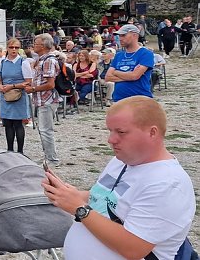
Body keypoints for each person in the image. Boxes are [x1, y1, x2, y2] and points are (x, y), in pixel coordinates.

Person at [42, 96, 195, 259]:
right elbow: (109, 198)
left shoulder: (167, 184)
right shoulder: (122, 160)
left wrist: (79, 208)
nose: (111, 140)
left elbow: (133, 248)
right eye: (110, 131)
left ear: (152, 132)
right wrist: (70, 196)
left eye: (121, 132)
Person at [25, 34, 61, 166]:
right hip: (43, 100)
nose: (34, 45)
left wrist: (33, 89)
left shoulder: (48, 61)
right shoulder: (42, 60)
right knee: (43, 129)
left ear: (44, 45)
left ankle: (52, 159)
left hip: (47, 100)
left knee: (46, 130)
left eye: (36, 43)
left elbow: (50, 84)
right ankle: (48, 156)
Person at [0, 38, 33, 153]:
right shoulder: (2, 62)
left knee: (18, 123)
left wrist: (12, 86)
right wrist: (0, 86)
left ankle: (20, 151)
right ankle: (10, 150)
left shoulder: (23, 62)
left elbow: (28, 81)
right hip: (5, 95)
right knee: (7, 124)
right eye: (11, 47)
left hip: (18, 95)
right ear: (7, 48)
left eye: (16, 47)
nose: (14, 49)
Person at [105, 24, 154, 102]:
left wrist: (116, 72)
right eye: (119, 36)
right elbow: (108, 77)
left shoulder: (145, 53)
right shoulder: (119, 55)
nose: (120, 38)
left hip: (139, 98)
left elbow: (134, 76)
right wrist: (129, 76)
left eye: (123, 35)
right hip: (119, 99)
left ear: (134, 35)